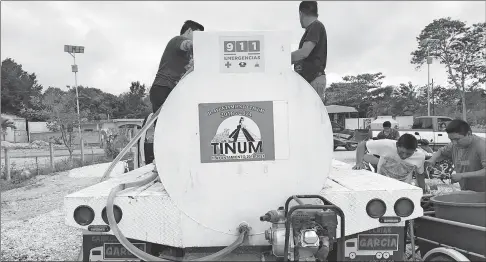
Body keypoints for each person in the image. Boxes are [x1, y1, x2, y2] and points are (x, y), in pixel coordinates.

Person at [149, 20, 204, 116]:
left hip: (174, 90)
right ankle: (150, 120)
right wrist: (205, 44)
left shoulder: (190, 54)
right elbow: (186, 44)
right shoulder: (178, 40)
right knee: (165, 123)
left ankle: (150, 120)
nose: (199, 39)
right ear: (189, 31)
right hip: (164, 87)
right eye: (198, 36)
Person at [425, 119, 486, 192]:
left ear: (469, 134)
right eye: (451, 139)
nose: (454, 143)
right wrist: (432, 160)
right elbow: (441, 151)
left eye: (457, 139)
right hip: (468, 191)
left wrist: (462, 175)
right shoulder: (454, 145)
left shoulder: (482, 145)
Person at [353, 134, 426, 191]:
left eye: (408, 154)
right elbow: (362, 145)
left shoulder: (420, 156)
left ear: (415, 150)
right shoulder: (386, 145)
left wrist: (422, 190)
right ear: (397, 145)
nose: (404, 156)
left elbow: (420, 174)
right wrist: (359, 162)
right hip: (381, 185)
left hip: (403, 187)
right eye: (401, 152)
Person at [291, 1, 328, 101]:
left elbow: (304, 53)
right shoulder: (313, 28)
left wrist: (281, 58)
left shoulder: (316, 26)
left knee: (313, 115)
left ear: (301, 13)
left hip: (313, 80)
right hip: (310, 81)